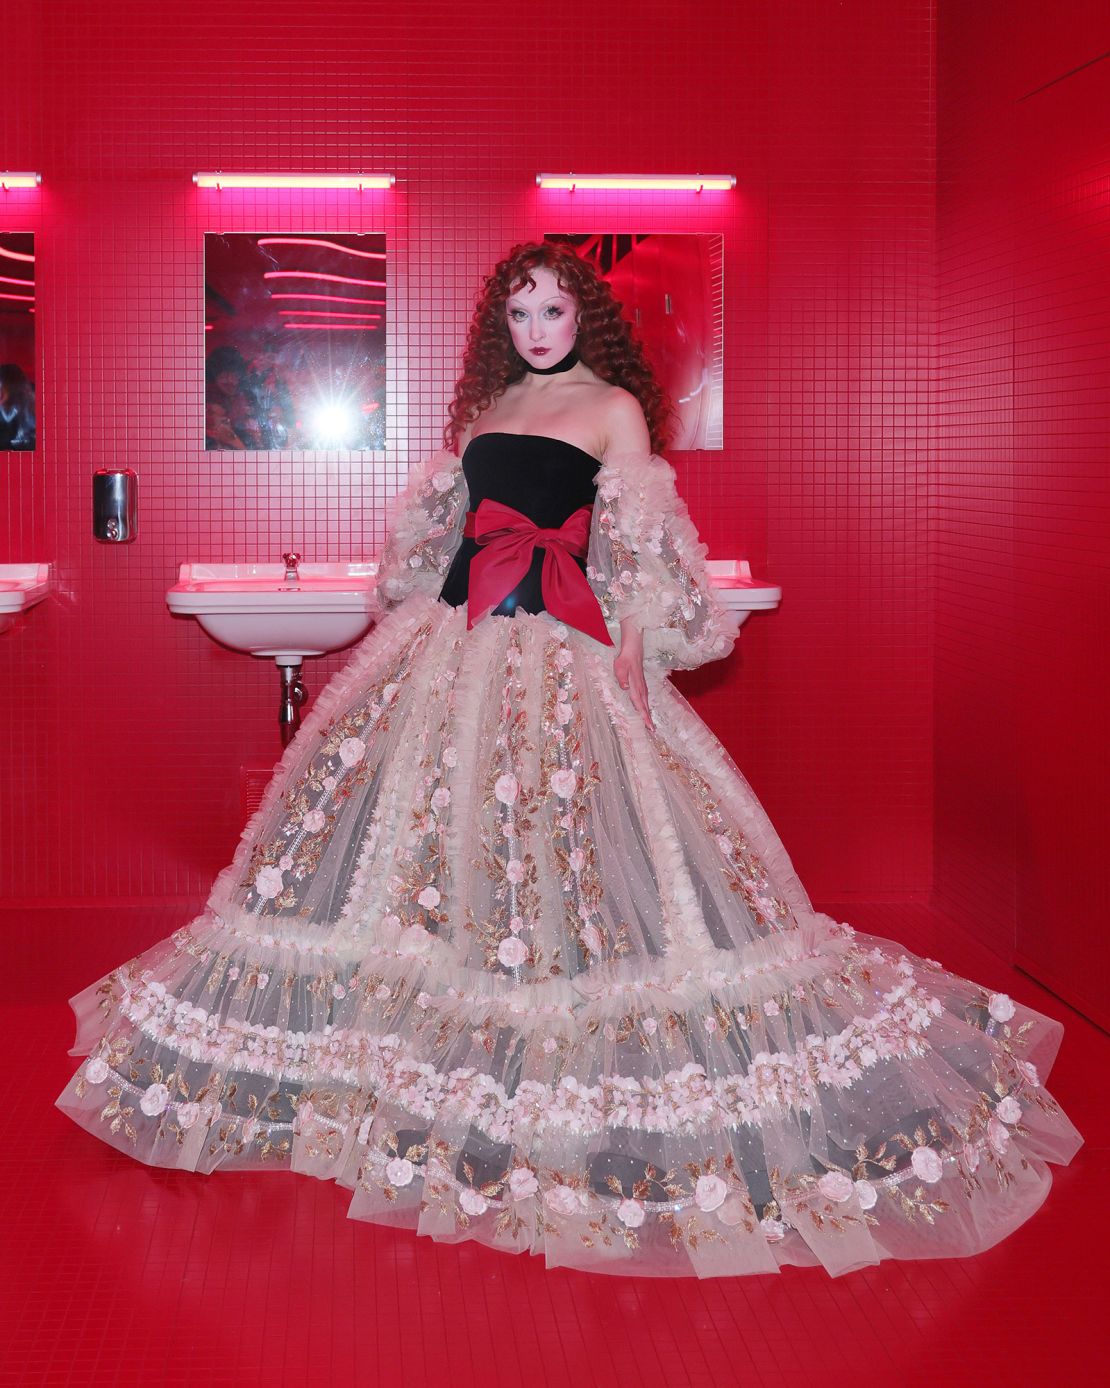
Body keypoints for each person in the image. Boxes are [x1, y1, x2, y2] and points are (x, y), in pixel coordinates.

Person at [55, 241, 1082, 1279]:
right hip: (457, 644)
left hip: (561, 648)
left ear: (583, 314)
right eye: (518, 313)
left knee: (566, 844)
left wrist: (633, 652)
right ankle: (400, 1066)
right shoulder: (488, 409)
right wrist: (421, 622)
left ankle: (549, 1061)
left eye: (551, 310)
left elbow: (639, 551)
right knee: (427, 849)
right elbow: (435, 539)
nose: (535, 329)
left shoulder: (615, 410)